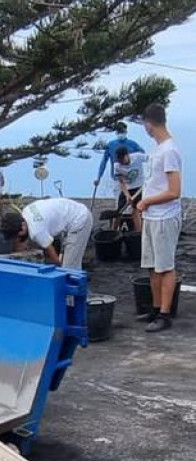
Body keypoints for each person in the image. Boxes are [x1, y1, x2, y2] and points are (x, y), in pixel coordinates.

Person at [135, 103, 182, 333]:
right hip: (152, 217)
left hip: (164, 217)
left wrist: (147, 201)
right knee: (152, 267)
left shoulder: (169, 150)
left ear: (148, 123)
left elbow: (174, 191)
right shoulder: (157, 150)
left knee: (165, 267)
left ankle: (165, 313)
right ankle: (155, 309)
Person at [1, 198, 93, 270]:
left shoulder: (36, 231)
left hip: (80, 219)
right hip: (72, 213)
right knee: (68, 263)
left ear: (22, 227)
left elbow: (55, 260)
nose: (18, 240)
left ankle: (74, 293)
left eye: (17, 236)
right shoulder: (26, 210)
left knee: (69, 268)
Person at [93, 122, 144, 191]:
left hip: (132, 179)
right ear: (116, 132)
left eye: (122, 131)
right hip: (117, 179)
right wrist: (98, 177)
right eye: (119, 131)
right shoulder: (110, 145)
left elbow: (143, 155)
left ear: (126, 131)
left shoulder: (133, 144)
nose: (121, 133)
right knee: (120, 199)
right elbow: (104, 162)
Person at [113, 146, 147, 232]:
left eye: (122, 159)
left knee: (135, 210)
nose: (122, 162)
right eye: (119, 160)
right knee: (119, 212)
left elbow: (152, 161)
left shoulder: (138, 157)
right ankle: (113, 231)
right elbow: (122, 182)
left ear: (127, 155)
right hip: (127, 189)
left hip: (139, 188)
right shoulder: (117, 166)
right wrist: (127, 195)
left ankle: (139, 233)